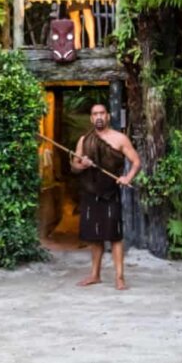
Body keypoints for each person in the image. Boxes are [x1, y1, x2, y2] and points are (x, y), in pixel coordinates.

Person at [70, 103, 141, 291]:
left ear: (107, 116)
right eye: (95, 114)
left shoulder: (120, 139)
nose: (99, 117)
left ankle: (119, 277)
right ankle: (95, 275)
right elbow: (74, 166)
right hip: (90, 192)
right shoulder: (84, 140)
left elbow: (136, 162)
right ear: (91, 118)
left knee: (115, 235)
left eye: (102, 113)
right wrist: (82, 164)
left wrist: (128, 177)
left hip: (110, 192)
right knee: (94, 236)